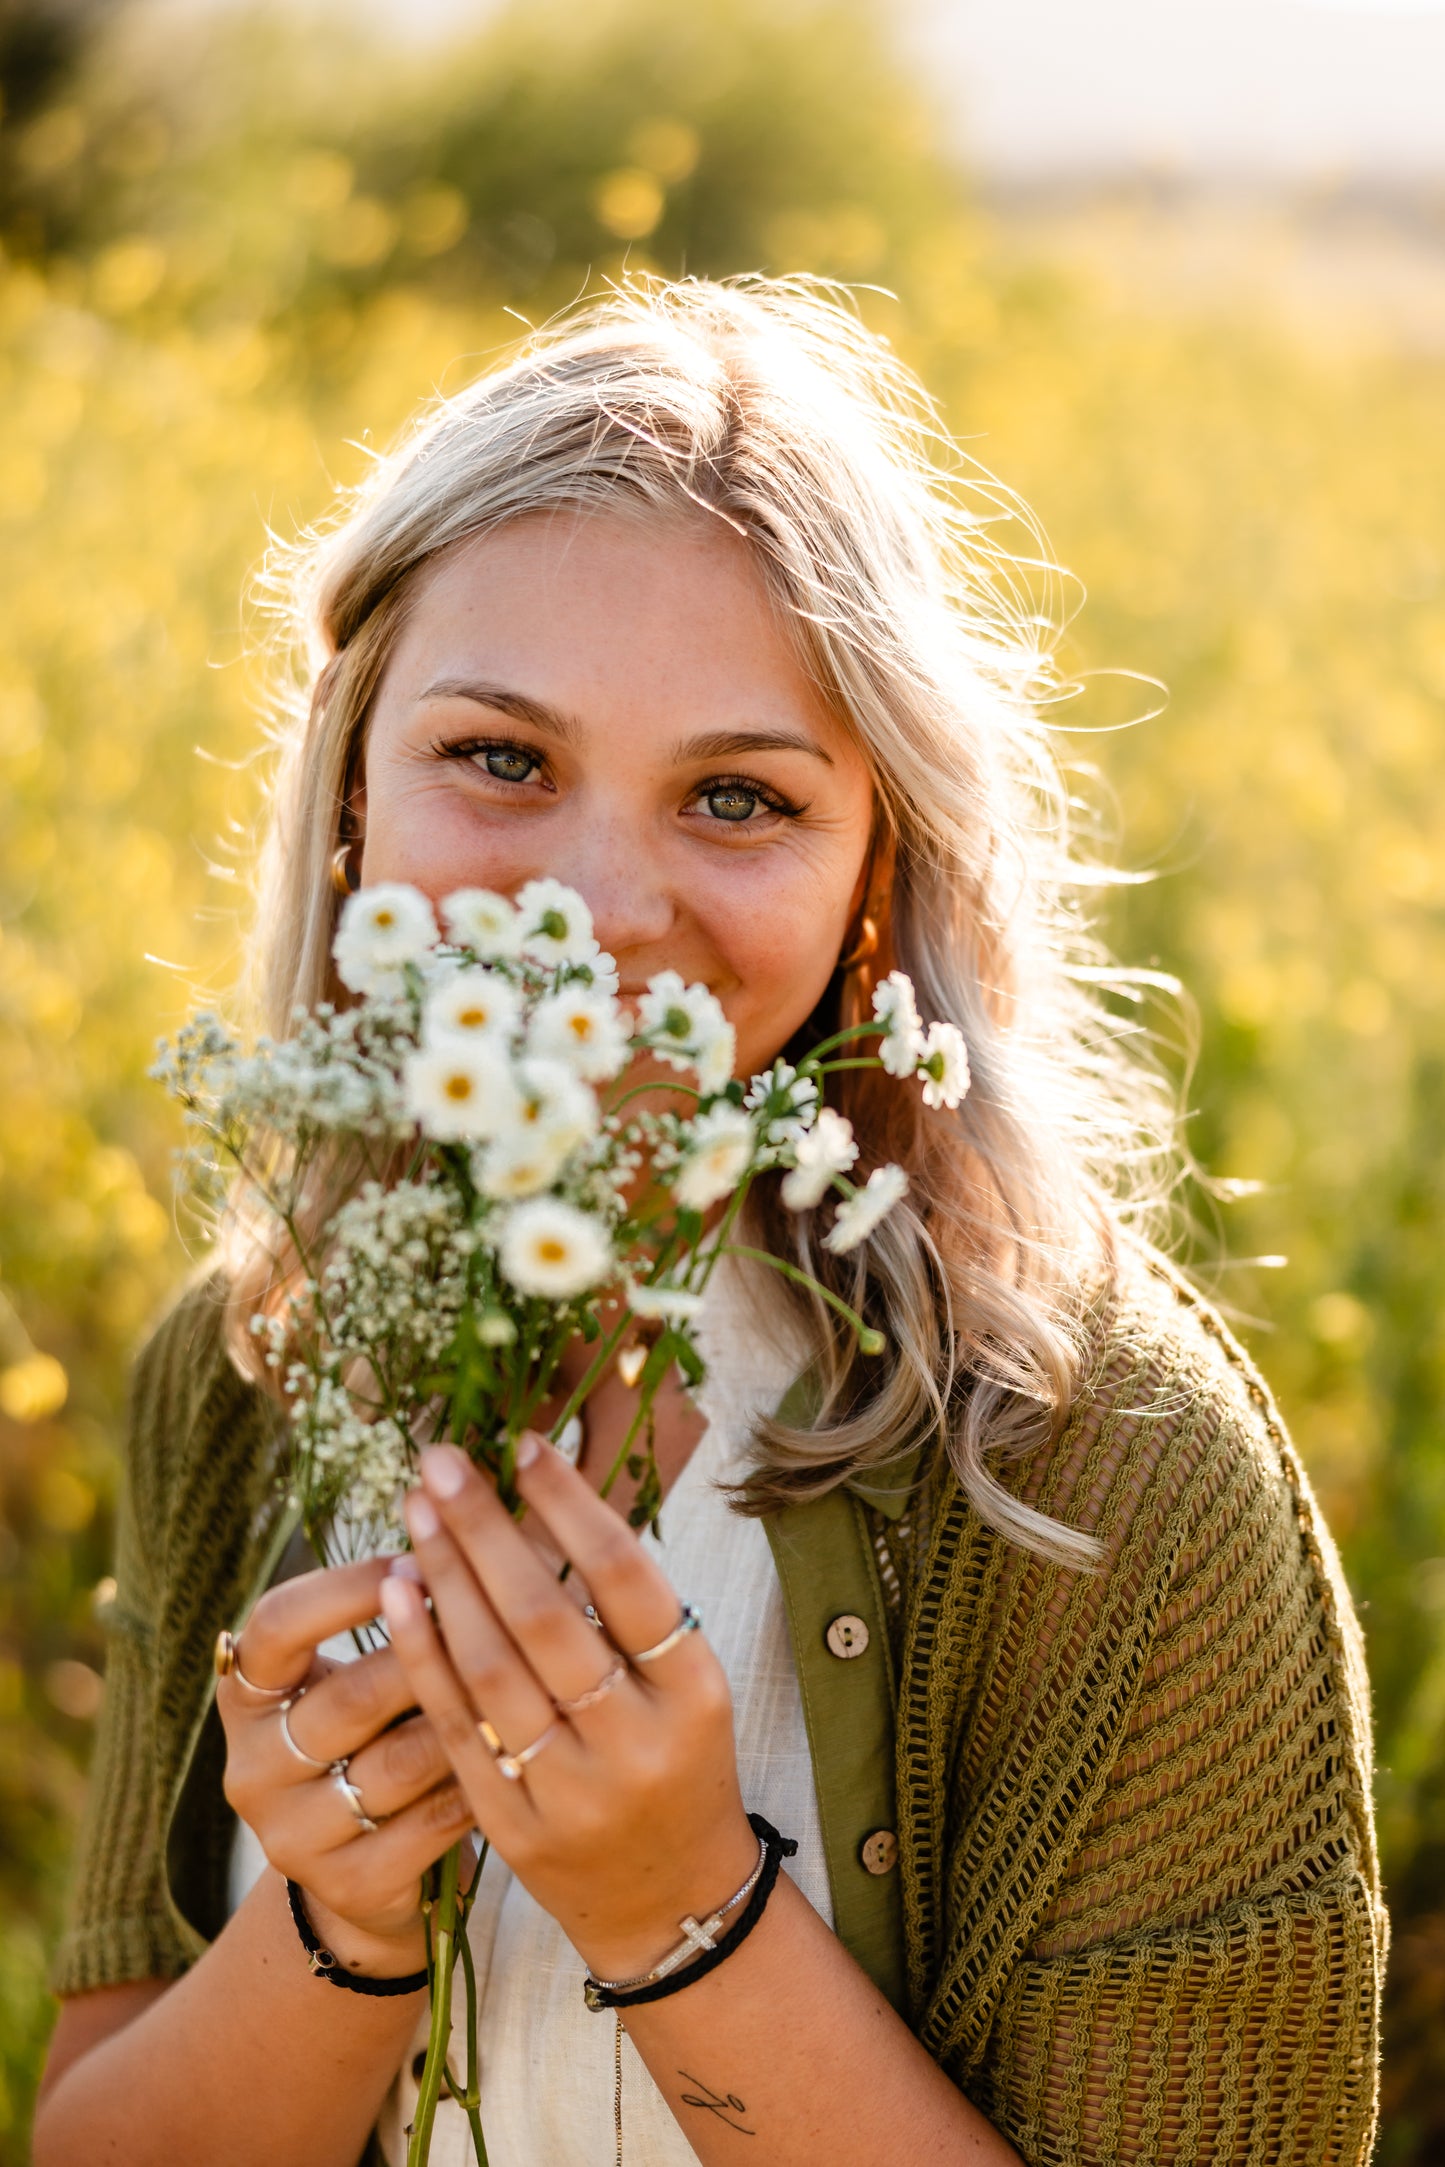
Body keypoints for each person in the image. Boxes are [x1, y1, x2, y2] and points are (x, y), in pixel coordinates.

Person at [35, 276, 1383, 2166]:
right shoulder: (253, 1359)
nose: (596, 911)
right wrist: (334, 1929)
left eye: (736, 799)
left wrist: (678, 1910)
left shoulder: (1108, 1459)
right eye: (499, 759)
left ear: (870, 874)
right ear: (351, 792)